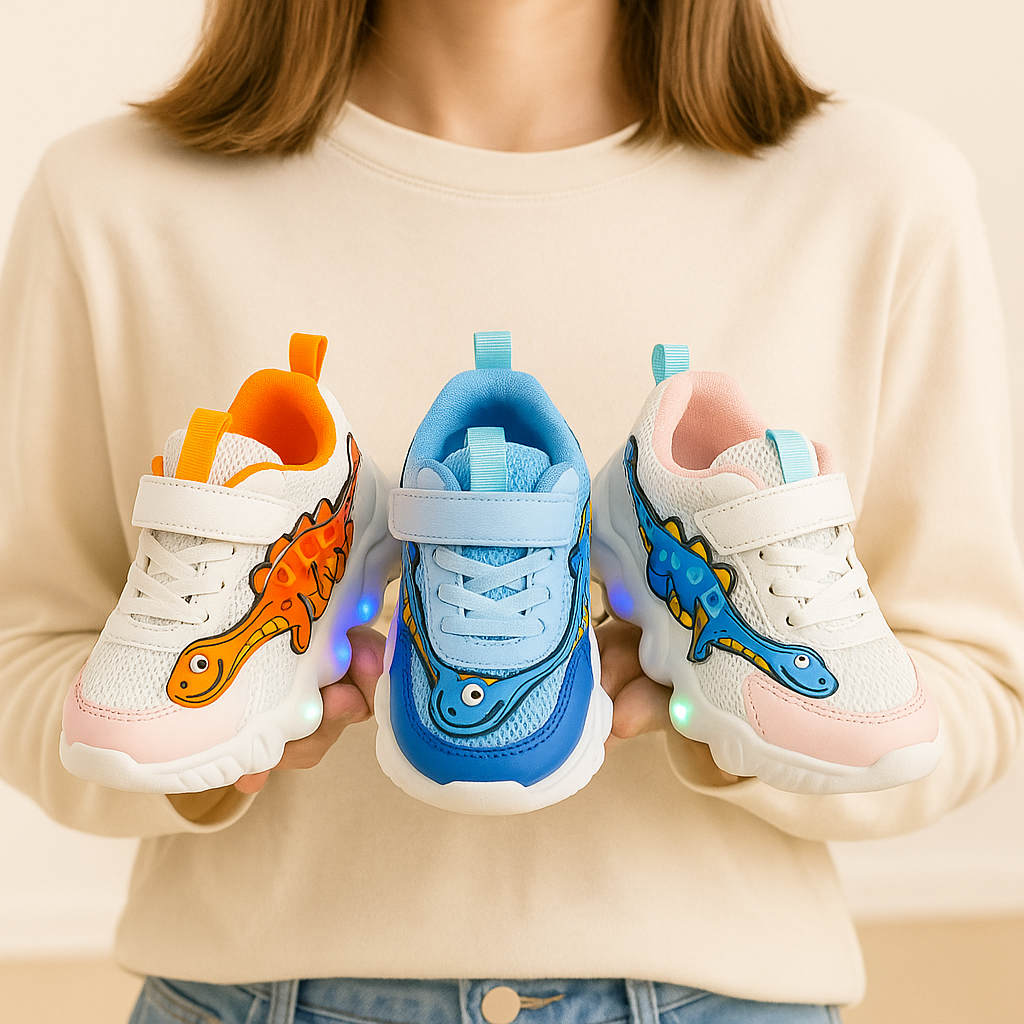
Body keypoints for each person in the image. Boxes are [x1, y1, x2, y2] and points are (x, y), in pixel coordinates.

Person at [1, 1, 1022, 1021]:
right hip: (250, 994)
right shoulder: (113, 198)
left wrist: (741, 740)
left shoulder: (877, 191)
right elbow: (24, 654)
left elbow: (974, 684)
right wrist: (206, 766)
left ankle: (675, 559)